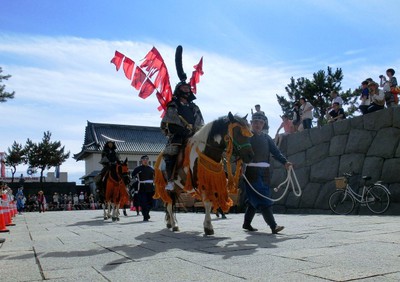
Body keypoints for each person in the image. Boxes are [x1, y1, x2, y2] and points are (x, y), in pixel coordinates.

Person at [242, 112, 292, 234]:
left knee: (254, 200)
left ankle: (246, 223)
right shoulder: (246, 137)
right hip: (251, 172)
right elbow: (240, 153)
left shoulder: (267, 138)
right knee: (263, 197)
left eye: (260, 122)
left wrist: (285, 162)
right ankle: (273, 226)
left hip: (265, 173)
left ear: (263, 124)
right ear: (251, 123)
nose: (257, 124)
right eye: (255, 122)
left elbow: (276, 152)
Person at [160, 81, 204, 190]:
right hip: (178, 136)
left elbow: (200, 122)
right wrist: (185, 131)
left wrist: (197, 132)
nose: (187, 90)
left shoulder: (194, 107)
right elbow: (170, 124)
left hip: (194, 135)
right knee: (171, 153)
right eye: (184, 88)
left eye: (188, 88)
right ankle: (170, 180)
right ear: (179, 90)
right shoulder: (173, 105)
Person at [131, 155, 155, 221]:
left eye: (147, 159)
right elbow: (132, 175)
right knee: (143, 203)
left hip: (151, 187)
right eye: (144, 159)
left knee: (152, 203)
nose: (145, 161)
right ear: (141, 161)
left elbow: (156, 176)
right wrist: (135, 177)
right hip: (142, 187)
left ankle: (146, 213)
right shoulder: (138, 168)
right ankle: (145, 216)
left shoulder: (152, 168)